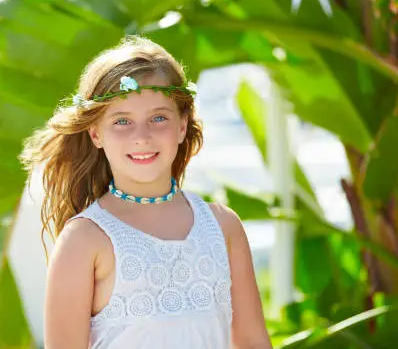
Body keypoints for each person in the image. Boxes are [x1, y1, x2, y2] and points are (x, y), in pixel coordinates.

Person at [21, 36, 272, 349]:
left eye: (158, 118)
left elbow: (252, 342)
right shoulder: (84, 239)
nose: (141, 136)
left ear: (182, 125)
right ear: (96, 133)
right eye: (122, 121)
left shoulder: (223, 227)